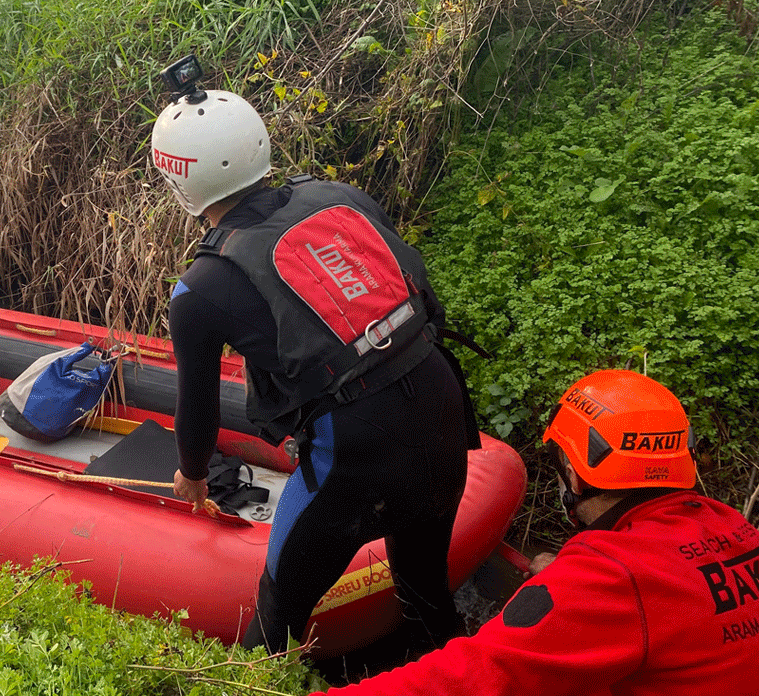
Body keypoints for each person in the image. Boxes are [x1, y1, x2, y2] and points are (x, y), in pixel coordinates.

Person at [152, 83, 478, 656]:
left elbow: (197, 408)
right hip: (440, 395)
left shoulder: (199, 290)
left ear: (181, 180)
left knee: (275, 623)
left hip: (354, 451)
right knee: (426, 590)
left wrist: (194, 476)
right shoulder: (339, 196)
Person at [308, 369, 759, 694]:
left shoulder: (609, 581)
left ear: (575, 474)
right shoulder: (732, 527)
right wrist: (565, 568)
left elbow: (469, 676)